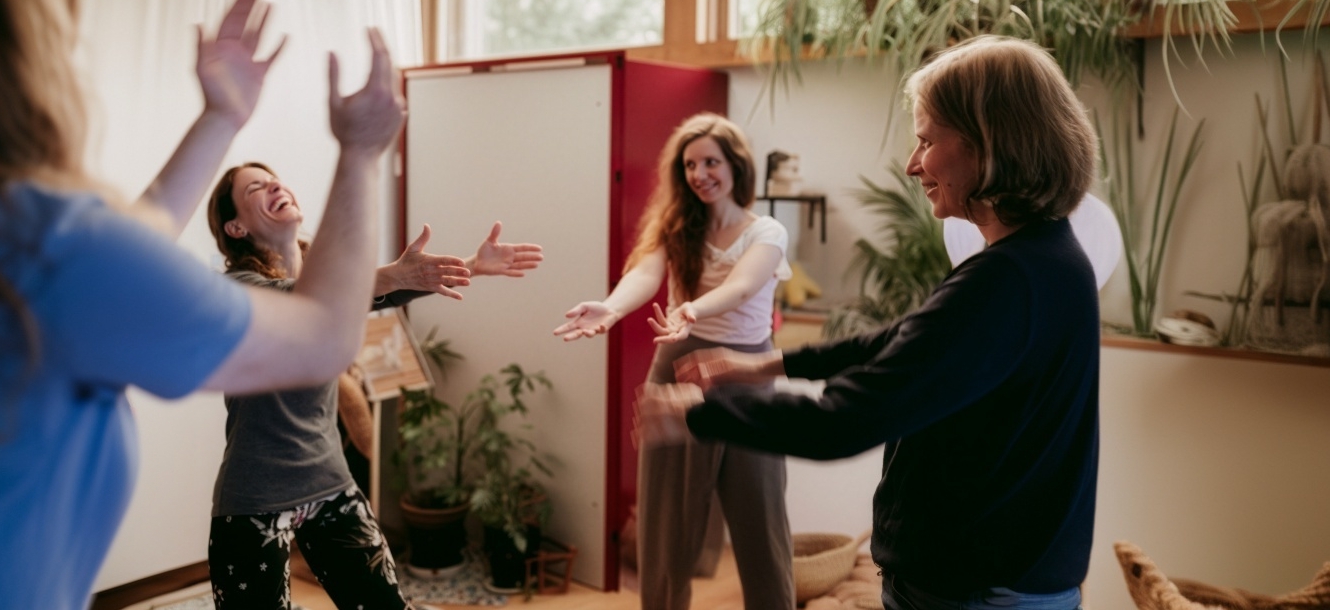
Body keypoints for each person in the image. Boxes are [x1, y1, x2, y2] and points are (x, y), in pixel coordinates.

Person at [0, 0, 404, 609]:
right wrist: (361, 155)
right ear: (20, 37)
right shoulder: (49, 252)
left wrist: (220, 118)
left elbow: (128, 242)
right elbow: (322, 336)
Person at [638, 36, 1100, 610]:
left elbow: (843, 421)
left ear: (989, 144)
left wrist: (699, 411)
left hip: (975, 596)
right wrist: (769, 365)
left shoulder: (1007, 281)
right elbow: (910, 338)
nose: (912, 164)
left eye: (926, 140)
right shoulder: (1049, 257)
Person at [205, 161, 542, 610]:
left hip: (328, 483)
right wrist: (394, 274)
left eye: (274, 180)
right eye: (255, 189)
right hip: (253, 494)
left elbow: (372, 291)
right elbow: (306, 300)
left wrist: (471, 266)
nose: (274, 186)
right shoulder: (238, 288)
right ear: (236, 227)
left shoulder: (326, 278)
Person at [553, 113, 795, 610]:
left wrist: (691, 309)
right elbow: (646, 273)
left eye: (711, 162)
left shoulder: (767, 231)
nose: (700, 174)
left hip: (747, 374)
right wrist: (612, 307)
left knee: (761, 514)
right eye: (690, 165)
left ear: (736, 165)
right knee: (667, 523)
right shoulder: (676, 225)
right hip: (678, 371)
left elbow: (742, 286)